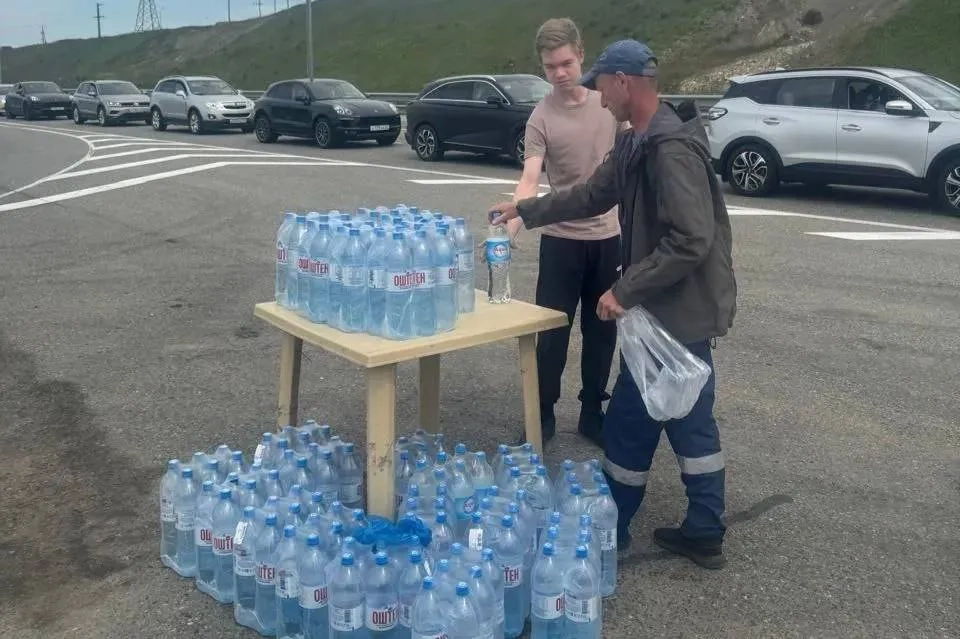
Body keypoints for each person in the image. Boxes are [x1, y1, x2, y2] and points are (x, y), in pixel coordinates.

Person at [488, 39, 737, 569]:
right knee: (682, 419)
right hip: (666, 311)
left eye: (602, 86)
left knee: (636, 420)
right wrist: (526, 210)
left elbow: (691, 239)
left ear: (624, 82)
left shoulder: (669, 150)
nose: (599, 98)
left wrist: (625, 289)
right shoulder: (635, 142)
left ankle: (611, 531)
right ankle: (699, 529)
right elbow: (591, 195)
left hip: (678, 312)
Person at [505, 18, 622, 448]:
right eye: (550, 66)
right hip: (560, 242)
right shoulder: (540, 117)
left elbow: (631, 163)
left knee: (602, 332)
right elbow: (529, 179)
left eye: (566, 63)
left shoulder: (608, 105)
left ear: (580, 55)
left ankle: (593, 413)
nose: (558, 73)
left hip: (608, 240)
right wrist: (511, 229)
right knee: (552, 334)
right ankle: (542, 414)